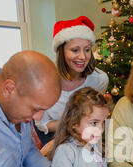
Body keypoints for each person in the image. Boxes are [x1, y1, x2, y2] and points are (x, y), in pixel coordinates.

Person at [34, 16, 109, 145]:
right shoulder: (43, 83)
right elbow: (42, 124)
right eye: (75, 50)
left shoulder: (99, 80)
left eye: (87, 50)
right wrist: (74, 126)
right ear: (61, 52)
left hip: (85, 137)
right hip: (53, 137)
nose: (82, 57)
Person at [49, 87, 127, 167]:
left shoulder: (95, 146)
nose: (100, 130)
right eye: (94, 123)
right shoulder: (65, 151)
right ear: (74, 123)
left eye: (103, 123)